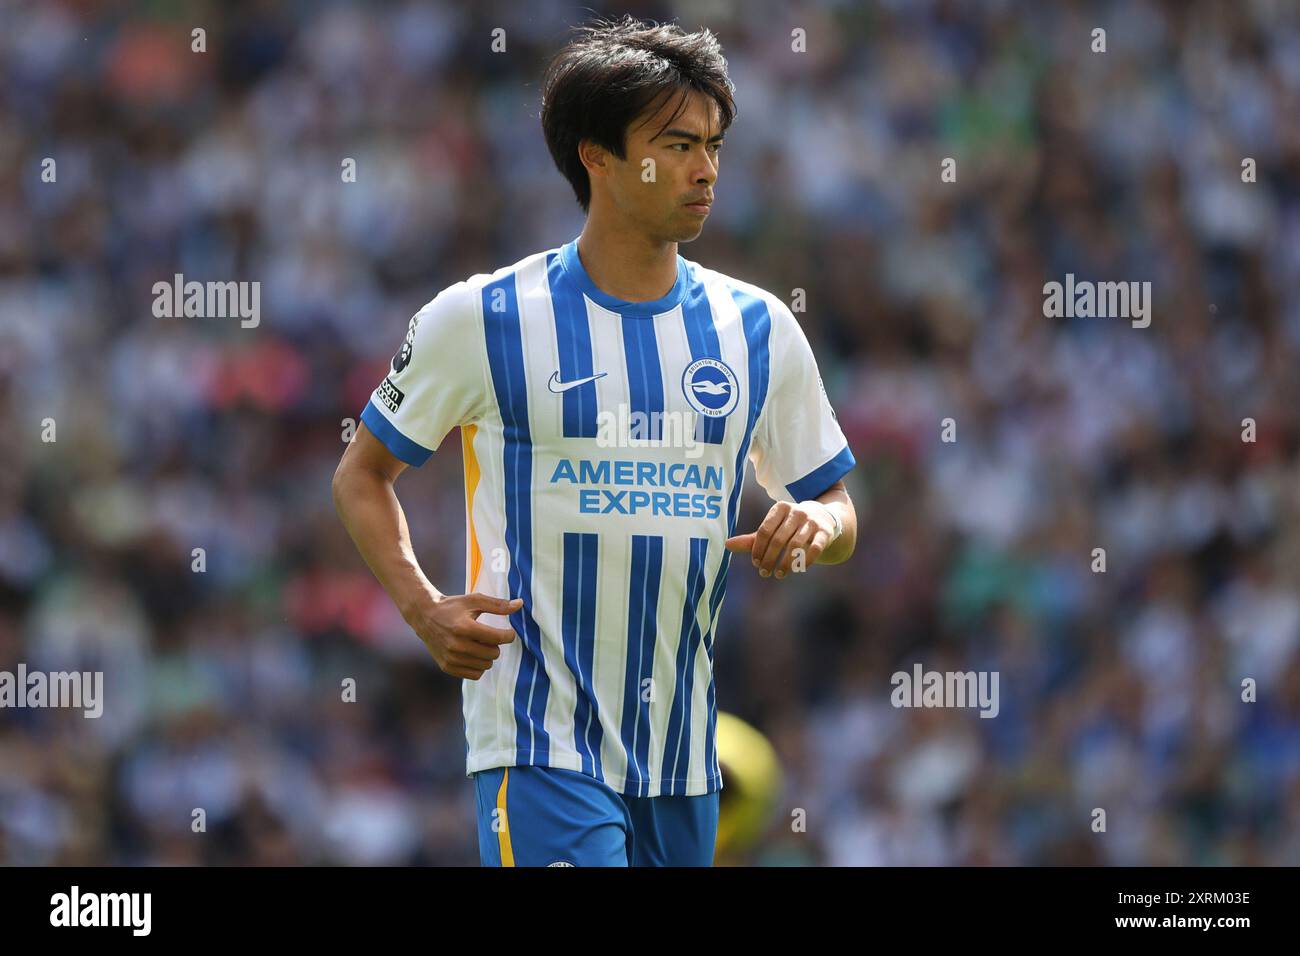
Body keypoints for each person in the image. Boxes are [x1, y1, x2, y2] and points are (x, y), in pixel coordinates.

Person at [332, 14, 857, 867]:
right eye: (679, 143)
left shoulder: (758, 328)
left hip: (683, 760)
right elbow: (363, 473)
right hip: (539, 745)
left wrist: (819, 526)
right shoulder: (485, 318)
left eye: (715, 144)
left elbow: (835, 505)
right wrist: (423, 609)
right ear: (597, 155)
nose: (706, 169)